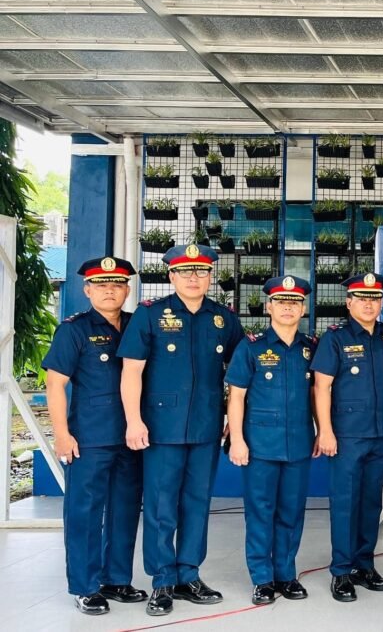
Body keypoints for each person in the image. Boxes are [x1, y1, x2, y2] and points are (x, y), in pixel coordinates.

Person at [118, 244, 244, 616]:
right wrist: (133, 420)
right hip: (160, 427)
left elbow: (240, 373)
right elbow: (131, 373)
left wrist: (234, 422)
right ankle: (161, 581)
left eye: (201, 272)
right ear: (171, 276)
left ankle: (189, 574)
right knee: (160, 506)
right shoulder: (151, 316)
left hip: (206, 426)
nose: (194, 278)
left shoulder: (223, 319)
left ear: (210, 277)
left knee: (196, 504)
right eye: (185, 272)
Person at [42, 257, 146, 615]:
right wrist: (61, 433)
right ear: (87, 290)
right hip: (89, 438)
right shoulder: (73, 329)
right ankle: (85, 585)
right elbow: (55, 384)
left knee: (125, 510)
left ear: (127, 290)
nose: (109, 290)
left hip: (132, 438)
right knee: (85, 513)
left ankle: (117, 579)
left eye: (117, 284)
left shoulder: (137, 325)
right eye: (100, 284)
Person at [311, 272, 383, 602]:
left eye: (375, 298)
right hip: (346, 436)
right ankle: (341, 571)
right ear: (348, 302)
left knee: (370, 503)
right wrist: (325, 430)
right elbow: (321, 386)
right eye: (362, 298)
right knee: (344, 504)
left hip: (381, 433)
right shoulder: (334, 338)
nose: (369, 303)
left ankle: (364, 565)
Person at [225, 276, 317, 606]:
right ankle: (262, 579)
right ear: (268, 307)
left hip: (298, 444)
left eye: (294, 302)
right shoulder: (251, 347)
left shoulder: (311, 348)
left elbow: (317, 394)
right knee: (260, 512)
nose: (288, 308)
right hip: (260, 445)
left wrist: (321, 430)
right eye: (281, 302)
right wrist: (237, 439)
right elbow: (236, 397)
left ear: (303, 308)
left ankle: (286, 575)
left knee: (292, 512)